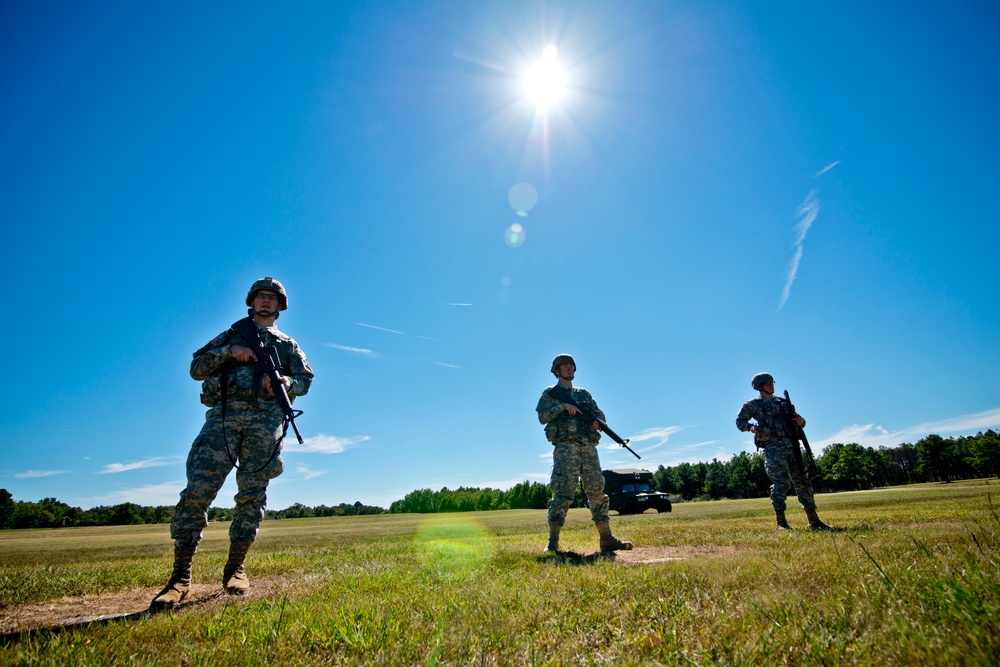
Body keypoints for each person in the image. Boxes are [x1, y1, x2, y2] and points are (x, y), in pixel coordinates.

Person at [150, 277, 314, 611]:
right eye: (261, 297)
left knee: (252, 497)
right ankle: (179, 578)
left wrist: (285, 381)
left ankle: (235, 569)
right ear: (251, 302)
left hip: (265, 424)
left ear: (280, 306)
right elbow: (197, 367)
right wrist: (229, 352)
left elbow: (306, 380)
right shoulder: (231, 334)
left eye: (273, 298)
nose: (266, 301)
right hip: (223, 421)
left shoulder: (288, 345)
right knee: (197, 491)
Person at [536, 354, 632, 553]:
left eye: (572, 365)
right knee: (563, 492)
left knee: (597, 490)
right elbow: (542, 417)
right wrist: (564, 406)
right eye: (564, 366)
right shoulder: (551, 393)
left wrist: (597, 422)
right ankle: (553, 542)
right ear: (556, 370)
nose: (569, 368)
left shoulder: (584, 395)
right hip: (565, 448)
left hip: (588, 447)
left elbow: (600, 415)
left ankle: (606, 538)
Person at [736, 373, 831, 530]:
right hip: (773, 448)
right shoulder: (753, 405)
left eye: (772, 382)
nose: (771, 385)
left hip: (792, 445)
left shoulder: (783, 403)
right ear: (759, 386)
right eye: (767, 383)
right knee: (781, 483)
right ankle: (781, 522)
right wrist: (751, 427)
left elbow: (797, 420)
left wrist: (802, 421)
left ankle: (813, 521)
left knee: (803, 481)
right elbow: (739, 421)